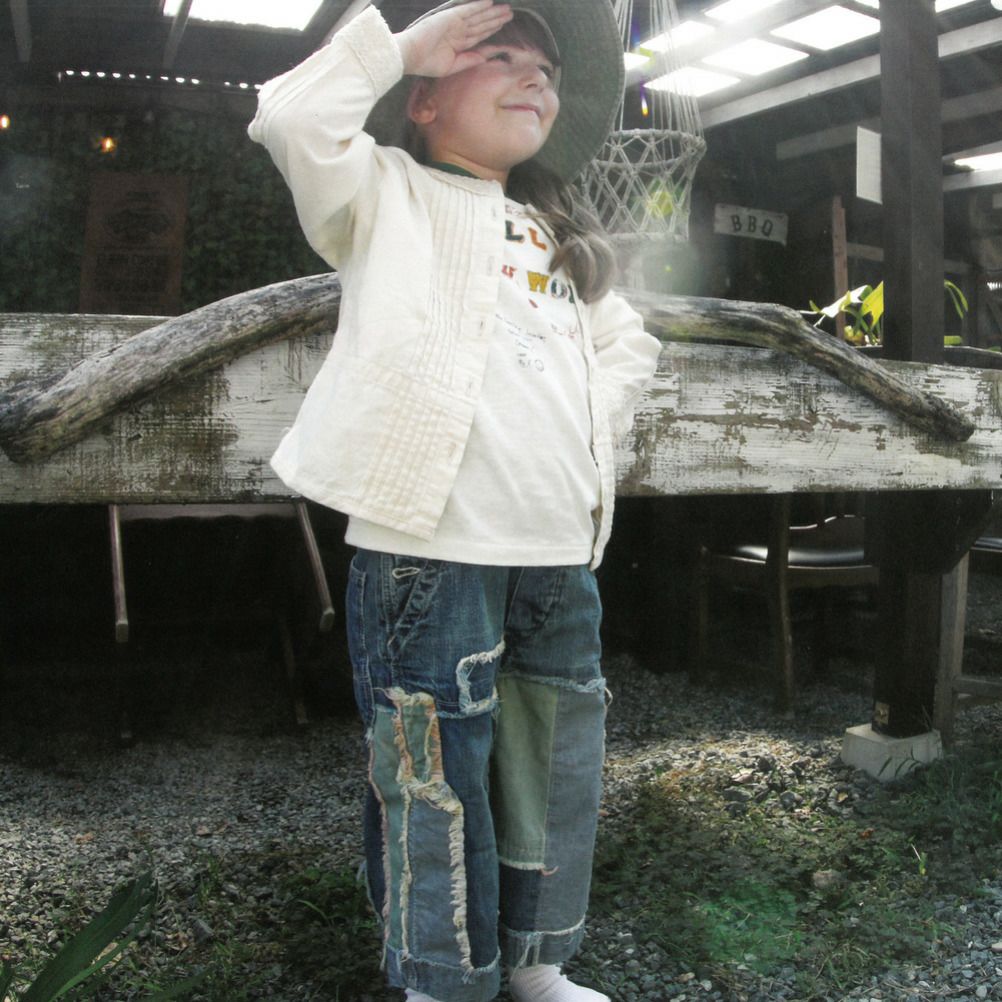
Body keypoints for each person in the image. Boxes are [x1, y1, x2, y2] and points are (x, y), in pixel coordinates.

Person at [247, 1, 662, 999]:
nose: (535, 77)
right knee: (432, 769)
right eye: (500, 56)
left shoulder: (559, 238)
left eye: (546, 69)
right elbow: (291, 118)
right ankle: (442, 979)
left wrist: (583, 426)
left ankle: (535, 964)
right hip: (428, 549)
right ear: (424, 102)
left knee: (551, 761)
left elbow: (630, 343)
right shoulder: (382, 192)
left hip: (557, 552)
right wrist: (403, 48)